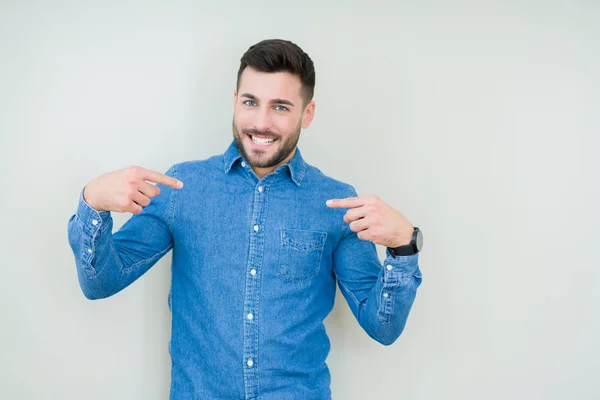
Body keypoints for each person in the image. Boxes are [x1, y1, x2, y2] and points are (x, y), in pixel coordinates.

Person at [67, 38, 424, 400]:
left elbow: (383, 325)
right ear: (235, 101)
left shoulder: (336, 203)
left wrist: (403, 248)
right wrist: (93, 202)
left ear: (308, 114)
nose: (261, 123)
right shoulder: (181, 187)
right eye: (250, 102)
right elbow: (100, 282)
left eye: (281, 107)